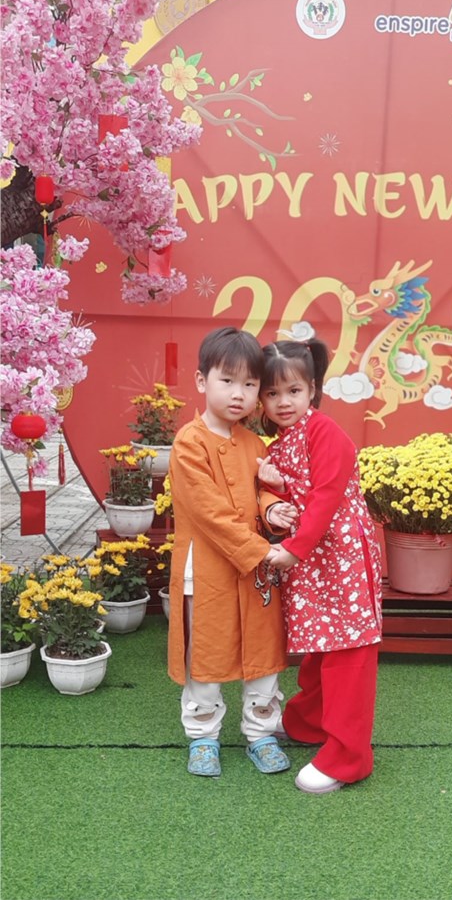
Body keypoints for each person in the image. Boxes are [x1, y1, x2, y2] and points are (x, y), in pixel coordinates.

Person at [167, 326, 296, 778]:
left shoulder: (254, 443)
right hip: (206, 571)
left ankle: (261, 733)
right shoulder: (189, 442)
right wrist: (262, 551)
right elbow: (209, 514)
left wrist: (274, 507)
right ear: (202, 381)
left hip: (255, 569)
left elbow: (260, 492)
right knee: (206, 654)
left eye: (250, 384)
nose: (239, 394)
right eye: (227, 381)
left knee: (263, 653)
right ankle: (203, 737)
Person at [258, 337, 382, 795]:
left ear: (312, 389)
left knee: (348, 649)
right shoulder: (281, 442)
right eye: (272, 393)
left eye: (293, 390)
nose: (283, 402)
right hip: (313, 557)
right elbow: (292, 497)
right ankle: (309, 722)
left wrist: (294, 548)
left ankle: (349, 757)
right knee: (320, 643)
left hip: (341, 554)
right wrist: (273, 494)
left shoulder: (324, 431)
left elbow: (327, 495)